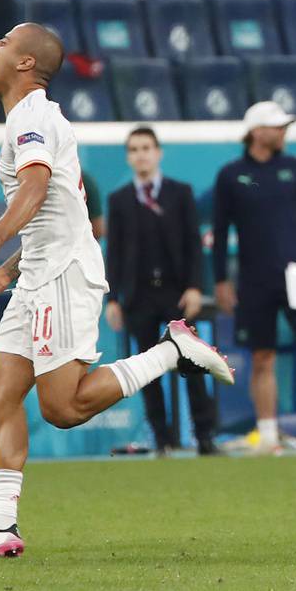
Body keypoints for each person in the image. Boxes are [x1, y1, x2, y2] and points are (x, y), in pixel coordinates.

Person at [0, 24, 232, 559]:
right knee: (0, 394)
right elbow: (56, 211)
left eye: (1, 42)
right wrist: (9, 269)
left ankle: (172, 351)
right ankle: (1, 527)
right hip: (38, 272)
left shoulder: (32, 115)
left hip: (62, 274)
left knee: (63, 407)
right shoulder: (30, 118)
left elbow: (33, 188)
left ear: (26, 63)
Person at [211, 100, 296, 452]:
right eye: (278, 126)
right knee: (262, 356)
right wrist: (221, 279)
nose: (284, 132)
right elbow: (222, 231)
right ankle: (268, 434)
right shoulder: (230, 175)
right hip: (256, 280)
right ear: (257, 132)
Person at [103, 125, 218, 455]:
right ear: (129, 157)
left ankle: (205, 435)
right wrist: (113, 298)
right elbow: (115, 251)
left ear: (158, 152)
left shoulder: (180, 193)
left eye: (146, 148)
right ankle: (163, 439)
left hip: (176, 292)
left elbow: (194, 245)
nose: (141, 154)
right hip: (138, 296)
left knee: (191, 362)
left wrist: (196, 286)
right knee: (146, 369)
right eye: (134, 149)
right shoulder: (120, 200)